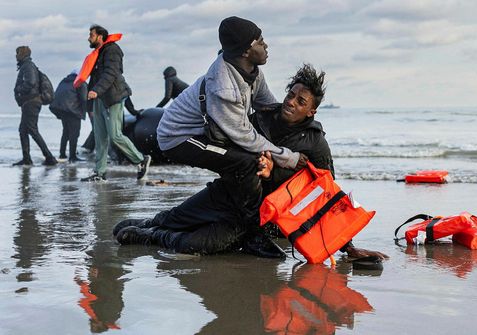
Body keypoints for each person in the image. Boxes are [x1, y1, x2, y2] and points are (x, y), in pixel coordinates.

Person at [114, 64, 387, 260]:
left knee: (197, 244)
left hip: (257, 214)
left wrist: (348, 247)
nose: (291, 102)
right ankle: (151, 223)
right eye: (290, 94)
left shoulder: (315, 143)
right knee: (175, 217)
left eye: (300, 100)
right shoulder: (260, 119)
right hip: (227, 192)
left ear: (311, 110)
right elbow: (231, 155)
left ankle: (149, 236)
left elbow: (328, 195)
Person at [156, 16, 306, 232]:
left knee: (243, 168)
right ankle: (253, 231)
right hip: (178, 138)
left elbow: (270, 107)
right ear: (246, 50)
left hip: (210, 131)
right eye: (260, 41)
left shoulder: (253, 72)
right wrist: (288, 157)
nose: (266, 45)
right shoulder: (223, 87)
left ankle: (186, 218)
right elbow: (244, 136)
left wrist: (304, 125)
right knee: (246, 164)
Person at [80, 24, 151, 182]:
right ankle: (100, 173)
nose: (88, 38)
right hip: (98, 99)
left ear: (100, 36)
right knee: (100, 137)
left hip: (113, 96)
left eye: (91, 35)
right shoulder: (97, 54)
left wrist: (97, 90)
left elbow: (110, 73)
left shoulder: (112, 50)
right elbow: (94, 79)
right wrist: (90, 104)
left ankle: (141, 160)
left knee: (115, 135)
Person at [13, 46, 58, 166]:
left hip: (31, 102)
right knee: (23, 130)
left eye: (17, 53)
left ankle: (49, 157)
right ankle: (26, 159)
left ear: (22, 54)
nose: (16, 56)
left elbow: (31, 82)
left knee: (32, 130)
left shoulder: (28, 66)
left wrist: (18, 89)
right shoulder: (26, 65)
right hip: (30, 102)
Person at [49, 69, 88, 162]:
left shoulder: (64, 81)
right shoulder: (80, 82)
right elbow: (83, 99)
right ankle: (72, 156)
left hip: (62, 109)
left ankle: (62, 154)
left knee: (66, 132)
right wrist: (85, 111)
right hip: (73, 110)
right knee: (74, 134)